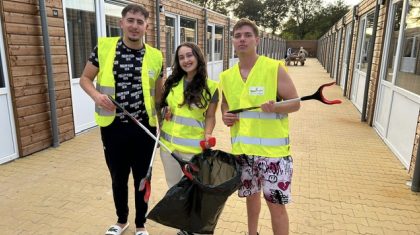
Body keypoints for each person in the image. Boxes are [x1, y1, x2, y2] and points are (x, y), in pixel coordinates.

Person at [79, 4, 163, 235]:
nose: (135, 26)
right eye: (131, 20)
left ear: (147, 26)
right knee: (118, 176)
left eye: (140, 22)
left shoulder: (156, 56)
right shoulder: (104, 47)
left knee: (142, 177)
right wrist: (97, 96)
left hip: (144, 127)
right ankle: (121, 220)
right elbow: (85, 79)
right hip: (113, 126)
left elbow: (158, 95)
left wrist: (163, 121)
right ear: (122, 23)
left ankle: (140, 224)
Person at [219, 18, 300, 235]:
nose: (242, 39)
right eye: (237, 36)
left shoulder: (273, 68)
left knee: (276, 206)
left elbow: (295, 103)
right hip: (244, 153)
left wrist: (277, 107)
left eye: (247, 35)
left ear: (257, 39)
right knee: (251, 199)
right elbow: (225, 105)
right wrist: (225, 116)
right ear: (233, 41)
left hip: (273, 155)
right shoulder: (226, 77)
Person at [159, 42, 219, 235]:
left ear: (198, 57)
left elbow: (210, 116)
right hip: (168, 148)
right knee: (176, 190)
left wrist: (208, 134)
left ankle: (197, 228)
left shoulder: (211, 87)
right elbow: (163, 108)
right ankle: (185, 228)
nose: (186, 60)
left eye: (189, 55)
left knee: (195, 192)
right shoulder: (172, 82)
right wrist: (164, 111)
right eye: (181, 57)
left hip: (193, 151)